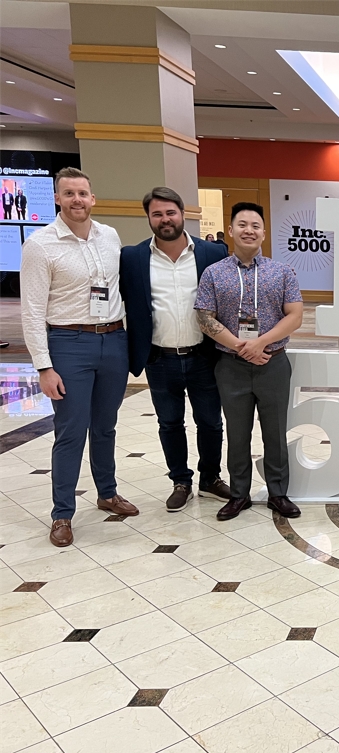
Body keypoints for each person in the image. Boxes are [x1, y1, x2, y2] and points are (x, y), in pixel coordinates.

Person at [20, 167, 136, 548]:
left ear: (93, 197)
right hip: (69, 343)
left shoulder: (109, 236)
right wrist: (43, 365)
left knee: (106, 426)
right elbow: (33, 310)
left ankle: (107, 493)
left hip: (113, 340)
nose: (76, 200)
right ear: (57, 198)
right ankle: (62, 514)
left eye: (82, 193)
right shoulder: (40, 245)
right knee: (71, 431)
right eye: (68, 194)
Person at [120, 187, 231, 512]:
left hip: (203, 356)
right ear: (149, 219)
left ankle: (210, 478)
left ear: (182, 214)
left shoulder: (212, 254)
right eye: (157, 214)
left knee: (210, 422)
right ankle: (180, 481)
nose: (165, 219)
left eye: (170, 212)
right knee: (169, 423)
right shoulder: (133, 258)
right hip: (159, 358)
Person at [194, 201, 304, 522]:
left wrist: (260, 343)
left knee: (275, 431)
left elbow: (295, 315)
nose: (248, 231)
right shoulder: (214, 273)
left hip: (273, 362)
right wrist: (242, 346)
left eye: (255, 226)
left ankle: (278, 493)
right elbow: (204, 317)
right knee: (237, 432)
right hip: (231, 366)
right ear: (230, 230)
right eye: (242, 225)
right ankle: (239, 493)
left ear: (264, 233)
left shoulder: (282, 272)